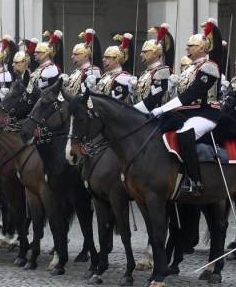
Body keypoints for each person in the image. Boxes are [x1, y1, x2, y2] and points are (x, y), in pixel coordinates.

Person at [150, 18, 225, 195]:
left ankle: (195, 180)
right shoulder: (191, 68)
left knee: (185, 134)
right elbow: (180, 95)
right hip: (188, 112)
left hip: (206, 113)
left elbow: (192, 94)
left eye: (191, 45)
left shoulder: (210, 67)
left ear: (201, 48)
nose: (187, 48)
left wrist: (163, 108)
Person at [133, 24, 174, 112]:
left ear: (155, 53)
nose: (141, 55)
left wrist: (136, 110)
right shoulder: (145, 73)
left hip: (154, 114)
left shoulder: (162, 70)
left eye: (145, 52)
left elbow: (157, 96)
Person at [96, 33, 134, 103]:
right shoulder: (105, 76)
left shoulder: (123, 78)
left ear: (116, 59)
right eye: (104, 57)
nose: (103, 59)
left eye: (107, 57)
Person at [64, 29, 102, 96]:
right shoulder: (75, 71)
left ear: (85, 56)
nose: (72, 57)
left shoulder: (93, 71)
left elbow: (88, 95)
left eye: (76, 54)